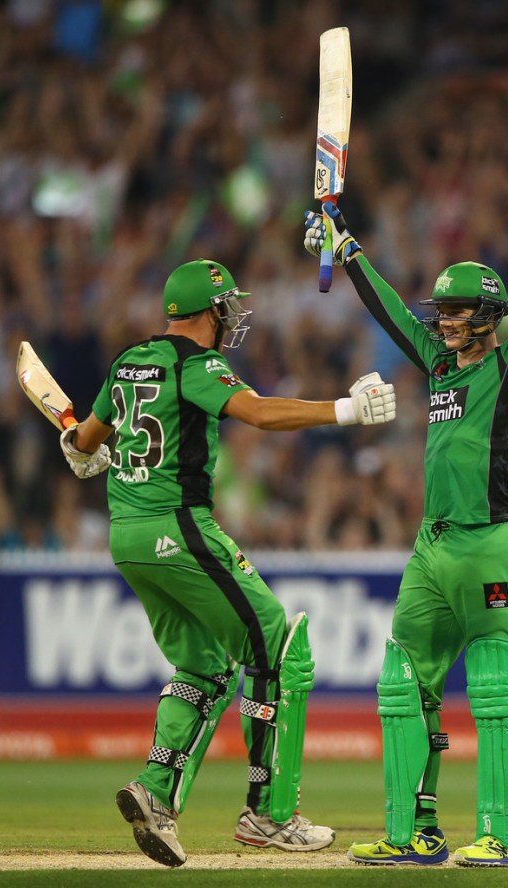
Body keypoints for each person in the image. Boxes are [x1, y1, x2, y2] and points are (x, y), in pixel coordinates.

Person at [304, 164, 508, 866]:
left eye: (456, 313)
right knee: (402, 685)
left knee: (497, 688)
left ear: (487, 318)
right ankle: (412, 833)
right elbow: (394, 311)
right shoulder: (439, 365)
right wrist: (345, 245)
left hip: (490, 544)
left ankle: (504, 838)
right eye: (444, 314)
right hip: (431, 549)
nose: (444, 322)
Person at [57, 258, 396, 867]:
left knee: (206, 665)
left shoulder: (128, 361)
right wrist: (345, 410)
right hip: (180, 528)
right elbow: (259, 413)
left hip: (127, 537)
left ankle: (155, 793)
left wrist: (79, 449)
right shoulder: (197, 363)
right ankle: (268, 814)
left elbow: (86, 439)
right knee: (277, 642)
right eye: (225, 306)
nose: (230, 315)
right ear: (210, 310)